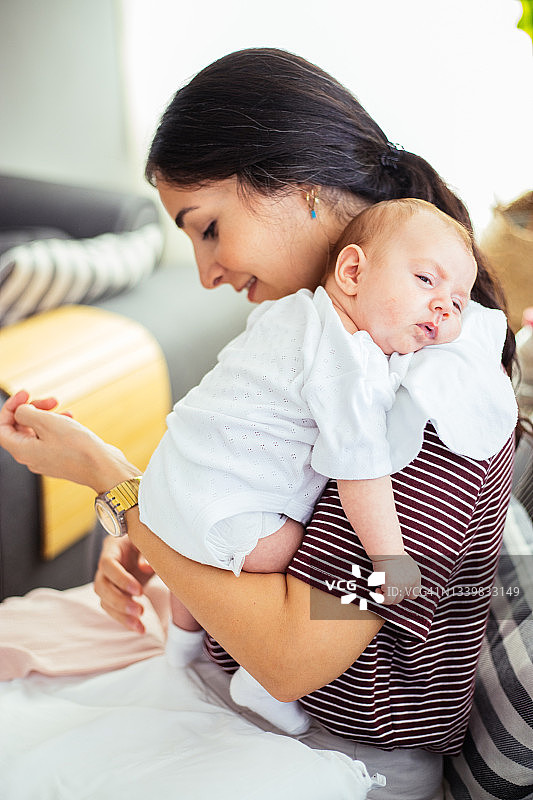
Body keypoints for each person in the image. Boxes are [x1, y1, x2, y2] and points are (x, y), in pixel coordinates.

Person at [0, 48, 518, 799]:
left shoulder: (429, 391)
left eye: (208, 228)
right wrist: (182, 538)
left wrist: (123, 492)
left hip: (330, 751)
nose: (206, 273)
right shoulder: (326, 341)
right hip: (244, 698)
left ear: (300, 187)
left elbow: (293, 652)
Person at [137, 197, 516, 736]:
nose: (443, 307)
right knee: (282, 552)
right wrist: (389, 560)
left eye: (458, 302)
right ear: (353, 271)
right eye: (425, 281)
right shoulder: (351, 365)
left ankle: (181, 641)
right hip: (228, 512)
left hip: (165, 473)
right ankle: (258, 683)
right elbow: (361, 472)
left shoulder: (290, 310)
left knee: (195, 533)